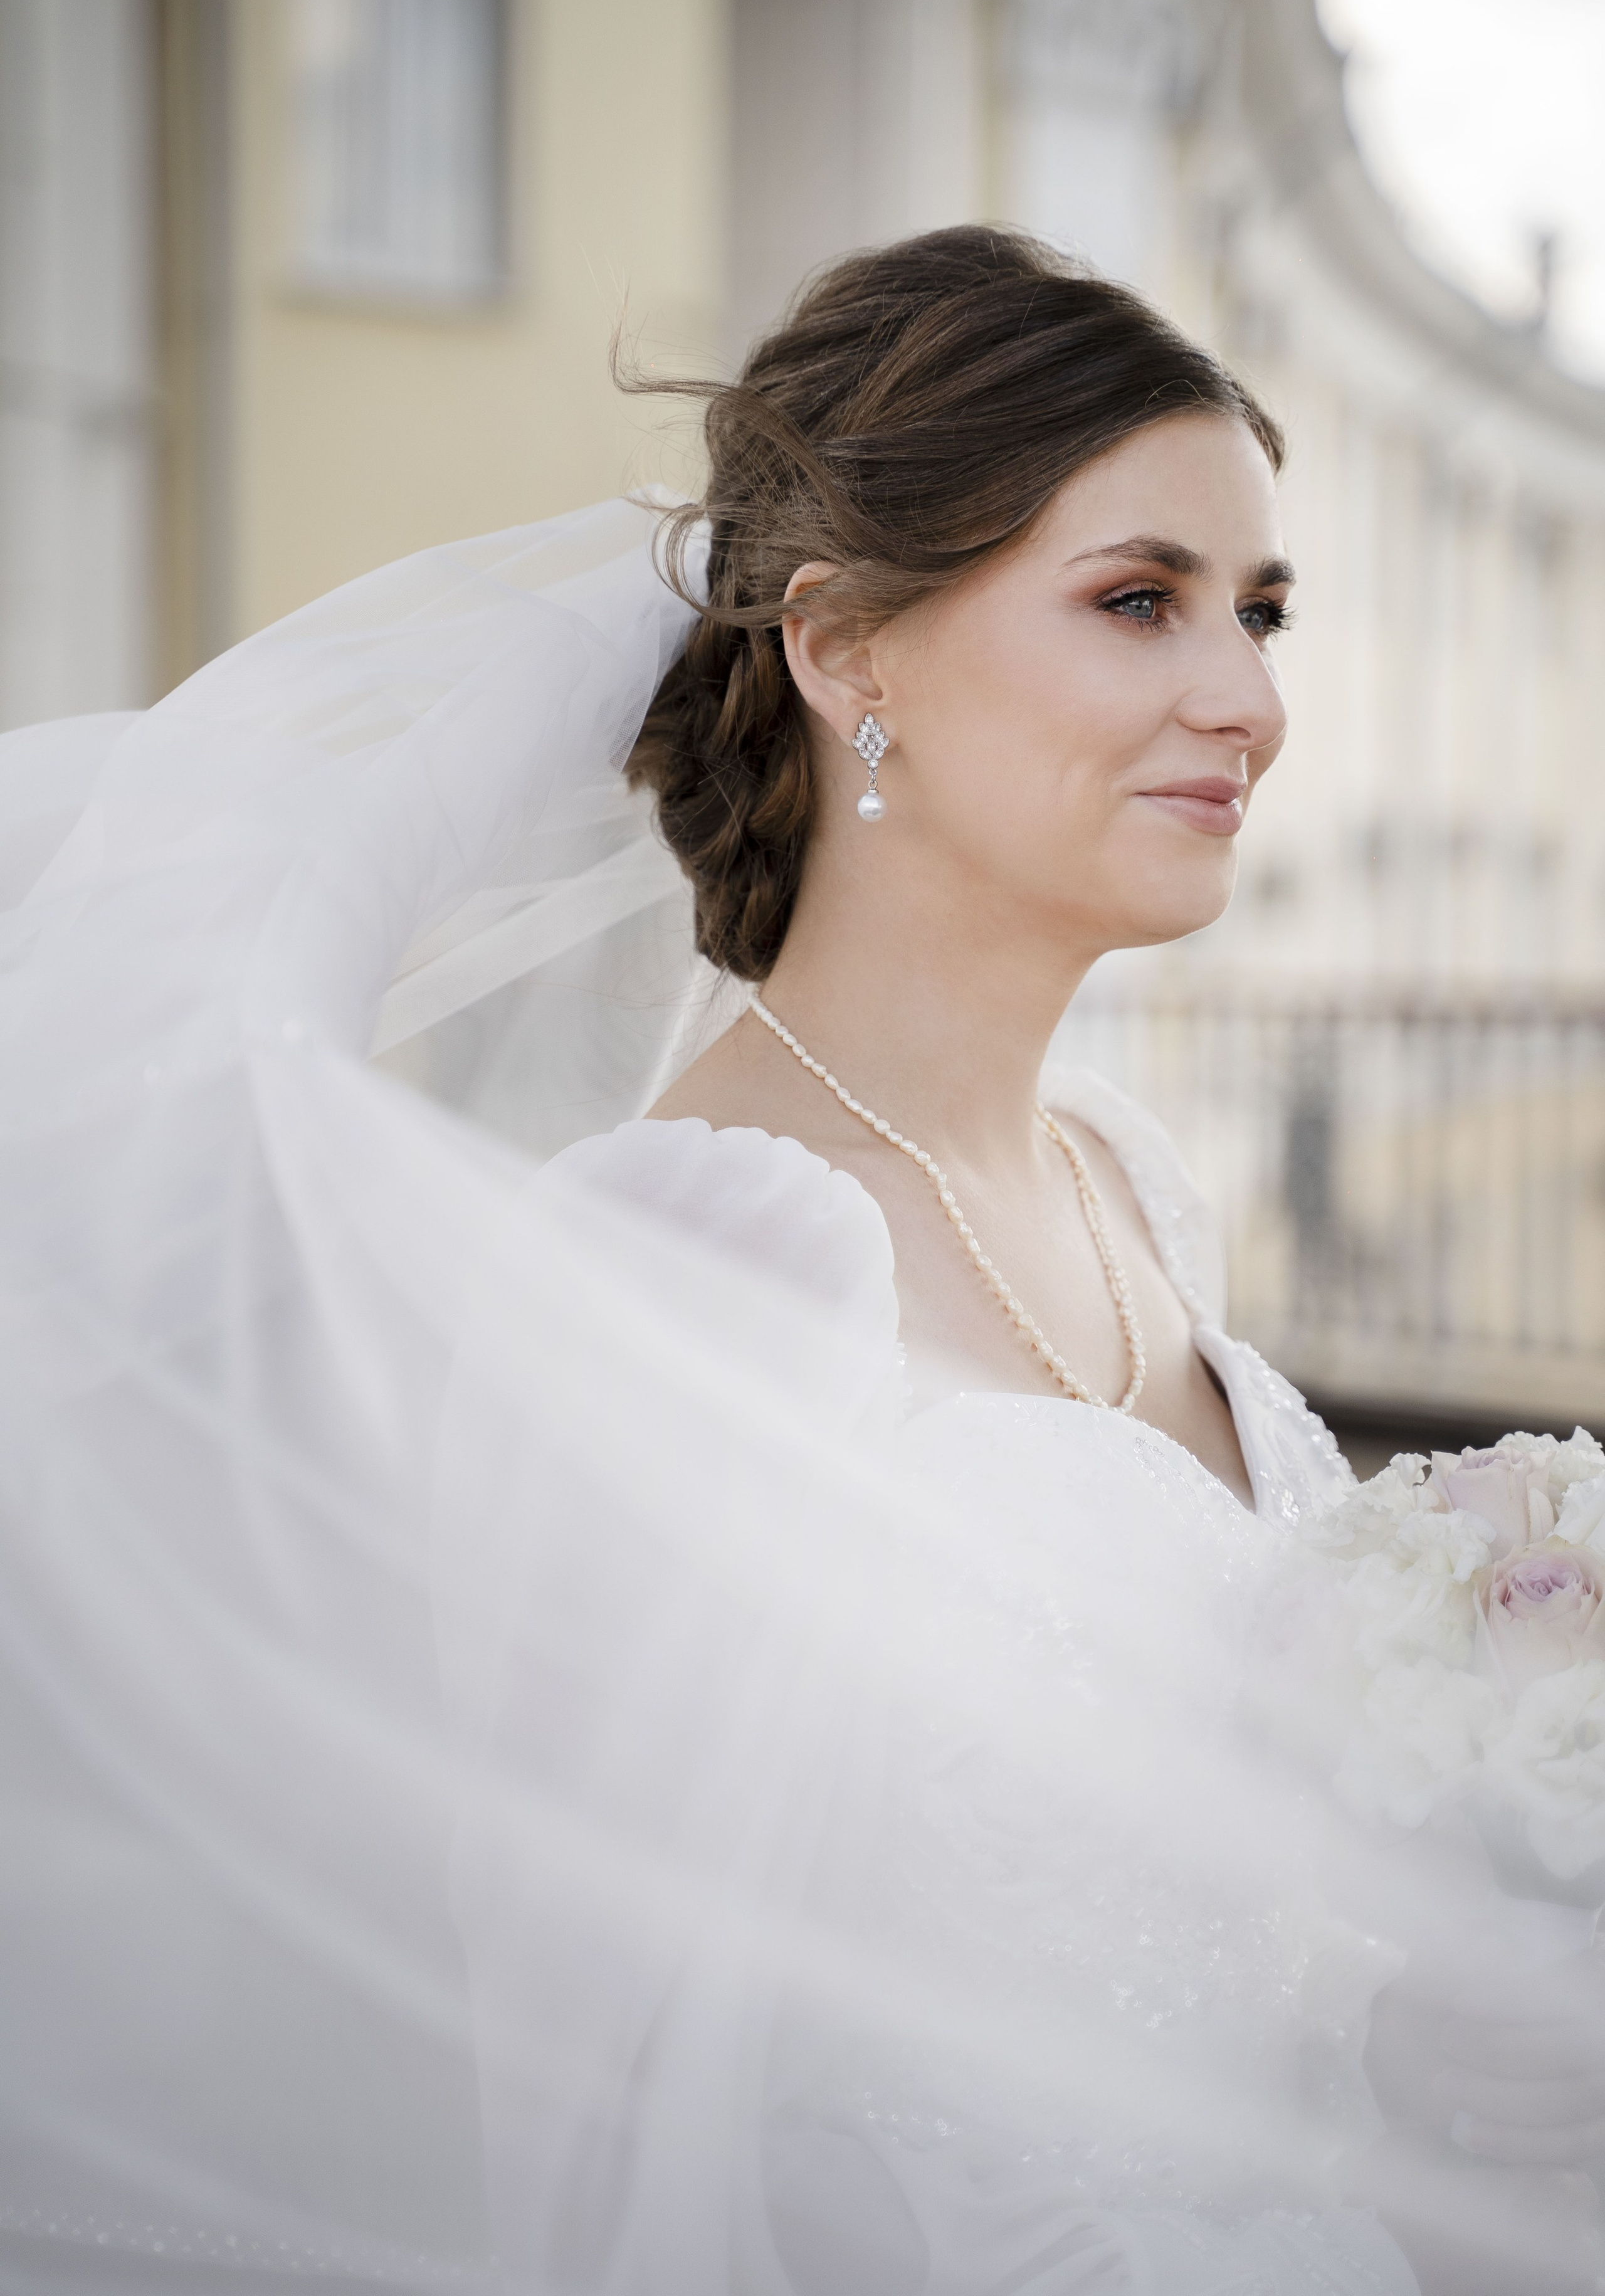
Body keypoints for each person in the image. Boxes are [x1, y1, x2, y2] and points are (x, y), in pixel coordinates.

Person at [0, 226, 1593, 2295]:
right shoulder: (699, 1257)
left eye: (1262, 613)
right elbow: (591, 2121)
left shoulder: (1125, 1179)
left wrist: (1400, 2069)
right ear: (846, 650)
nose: (1251, 701)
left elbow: (1164, 1965)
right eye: (1139, 603)